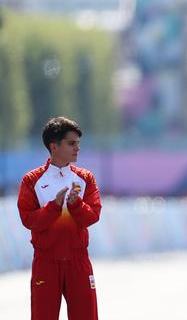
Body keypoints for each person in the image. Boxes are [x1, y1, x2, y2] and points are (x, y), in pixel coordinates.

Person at [18, 116, 102, 320]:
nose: (77, 148)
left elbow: (93, 216)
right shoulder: (32, 180)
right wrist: (54, 207)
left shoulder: (85, 178)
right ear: (54, 146)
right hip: (46, 263)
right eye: (71, 143)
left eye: (78, 144)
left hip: (78, 261)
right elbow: (28, 220)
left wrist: (75, 205)